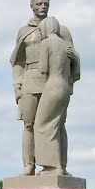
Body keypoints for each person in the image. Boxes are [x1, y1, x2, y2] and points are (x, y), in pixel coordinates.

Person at [9, 0, 78, 175]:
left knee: (57, 124)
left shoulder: (61, 30)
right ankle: (28, 165)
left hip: (52, 82)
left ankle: (59, 166)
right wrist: (18, 86)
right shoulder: (25, 31)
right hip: (30, 80)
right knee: (29, 124)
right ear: (32, 6)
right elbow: (17, 62)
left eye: (46, 3)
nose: (43, 6)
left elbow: (72, 59)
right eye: (39, 3)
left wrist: (69, 85)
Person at [33, 16, 79, 174]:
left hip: (52, 85)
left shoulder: (46, 43)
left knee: (42, 125)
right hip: (65, 87)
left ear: (46, 28)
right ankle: (61, 165)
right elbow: (77, 72)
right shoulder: (67, 45)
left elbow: (43, 68)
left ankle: (52, 166)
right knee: (57, 125)